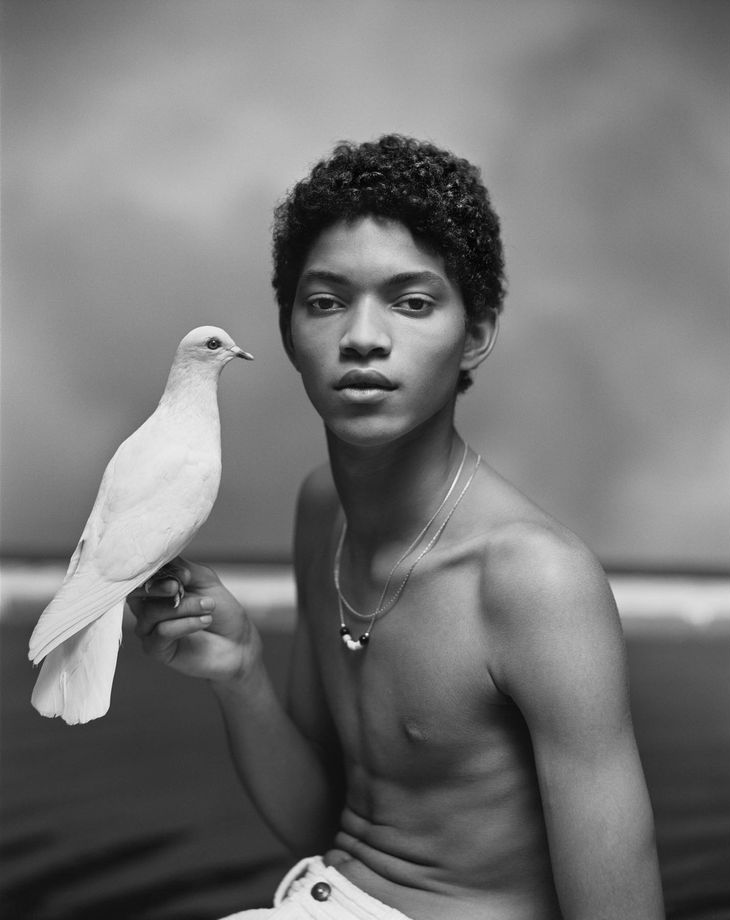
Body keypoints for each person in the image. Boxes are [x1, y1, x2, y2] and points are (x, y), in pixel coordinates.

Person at [128, 135, 665, 919]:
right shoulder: (324, 512)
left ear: (475, 332)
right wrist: (241, 674)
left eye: (412, 303)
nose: (363, 338)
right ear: (285, 333)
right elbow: (328, 826)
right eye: (326, 302)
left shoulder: (535, 583)